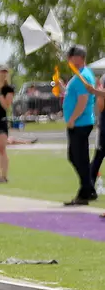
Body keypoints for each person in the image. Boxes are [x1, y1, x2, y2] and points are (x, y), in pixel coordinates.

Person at [61, 45, 96, 206]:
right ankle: (87, 189)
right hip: (77, 123)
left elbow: (83, 100)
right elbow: (75, 95)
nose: (69, 59)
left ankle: (87, 190)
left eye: (71, 56)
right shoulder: (78, 75)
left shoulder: (83, 76)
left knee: (79, 157)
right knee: (76, 157)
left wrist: (73, 118)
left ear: (79, 58)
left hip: (80, 123)